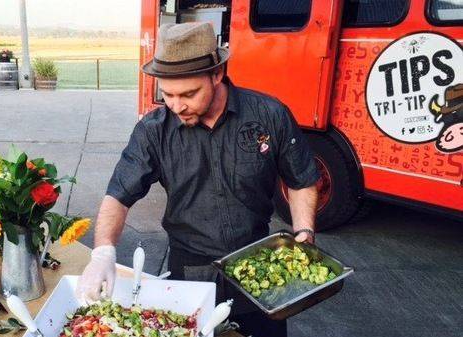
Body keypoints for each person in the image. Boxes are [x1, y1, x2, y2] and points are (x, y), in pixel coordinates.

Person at [76, 22, 320, 337]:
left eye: (189, 93)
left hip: (257, 265)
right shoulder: (154, 131)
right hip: (188, 275)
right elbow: (118, 196)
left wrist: (304, 232)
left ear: (217, 75)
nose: (177, 106)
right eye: (168, 95)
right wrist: (103, 251)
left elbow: (301, 181)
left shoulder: (269, 115)